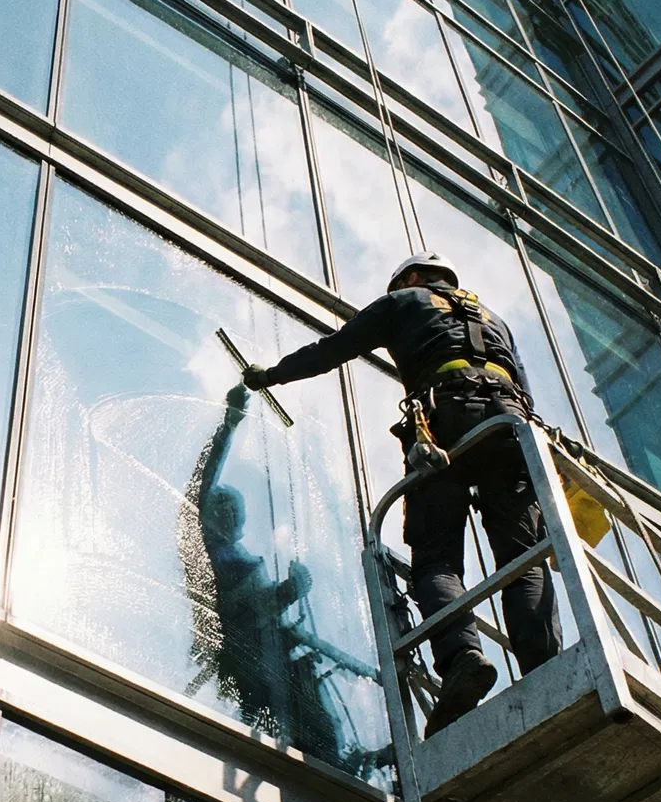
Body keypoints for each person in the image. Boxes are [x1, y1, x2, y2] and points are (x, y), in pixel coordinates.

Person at [241, 253, 562, 736]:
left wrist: (269, 376)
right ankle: (548, 671)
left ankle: (463, 658)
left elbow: (333, 350)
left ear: (410, 279)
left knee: (437, 561)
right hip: (510, 428)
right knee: (523, 559)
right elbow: (525, 390)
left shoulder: (405, 301)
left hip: (444, 424)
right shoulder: (494, 319)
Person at [191, 384, 350, 768]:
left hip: (273, 658)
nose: (228, 516)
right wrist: (229, 424)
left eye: (234, 512)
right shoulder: (208, 553)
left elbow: (258, 610)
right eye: (221, 509)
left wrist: (290, 592)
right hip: (248, 659)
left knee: (317, 731)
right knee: (285, 728)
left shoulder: (240, 557)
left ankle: (332, 767)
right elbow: (234, 617)